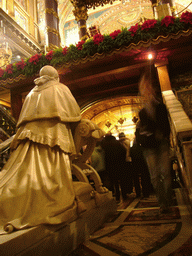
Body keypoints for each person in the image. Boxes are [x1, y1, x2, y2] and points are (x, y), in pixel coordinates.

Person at [0, 65, 83, 234]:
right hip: (54, 134)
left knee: (21, 170)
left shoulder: (31, 93)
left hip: (29, 137)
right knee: (52, 169)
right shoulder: (60, 88)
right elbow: (75, 114)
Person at [136, 69, 173, 213]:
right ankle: (162, 203)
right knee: (155, 177)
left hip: (162, 143)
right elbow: (146, 128)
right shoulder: (142, 112)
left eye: (147, 86)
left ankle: (168, 199)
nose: (146, 89)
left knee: (166, 173)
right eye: (143, 87)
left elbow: (166, 125)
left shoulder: (161, 106)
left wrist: (163, 135)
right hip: (149, 147)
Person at [102, 134, 127, 203]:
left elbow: (104, 157)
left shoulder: (105, 145)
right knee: (122, 181)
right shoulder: (117, 143)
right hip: (120, 165)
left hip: (111, 166)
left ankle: (117, 196)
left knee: (114, 182)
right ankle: (124, 195)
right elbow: (124, 151)